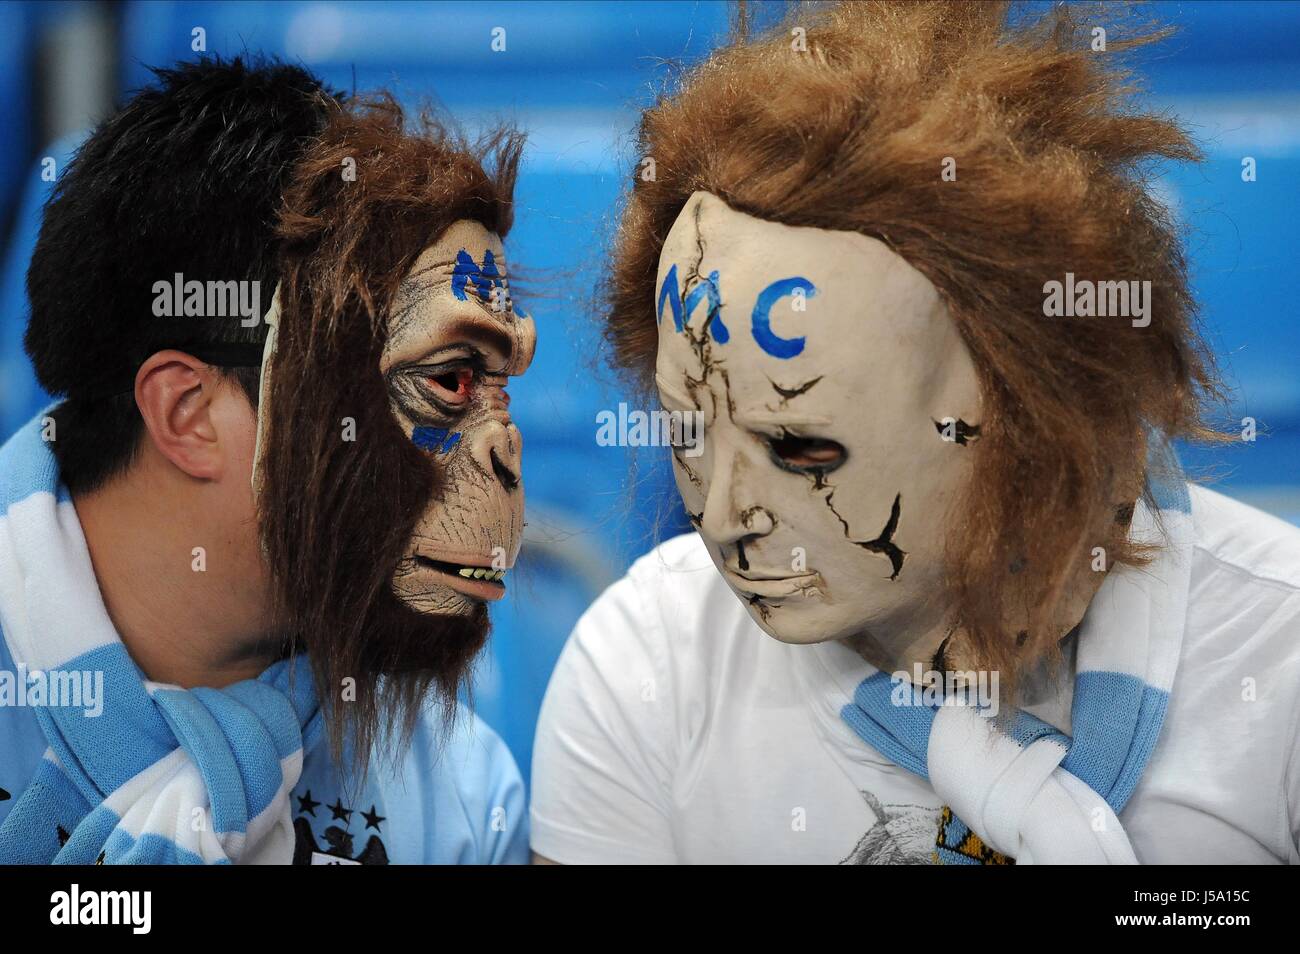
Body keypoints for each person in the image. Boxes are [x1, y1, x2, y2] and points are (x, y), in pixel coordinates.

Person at [530, 1, 1300, 864]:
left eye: (801, 448)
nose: (724, 514)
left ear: (1031, 418)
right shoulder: (648, 667)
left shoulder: (1280, 658)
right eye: (687, 429)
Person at [0, 56, 535, 864]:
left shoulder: (457, 789)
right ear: (189, 413)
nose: (503, 457)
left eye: (498, 386)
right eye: (449, 381)